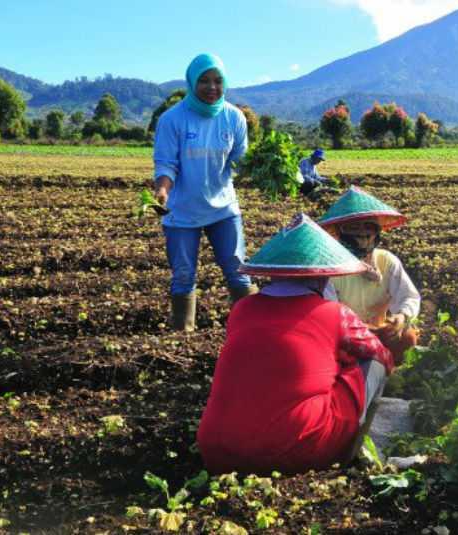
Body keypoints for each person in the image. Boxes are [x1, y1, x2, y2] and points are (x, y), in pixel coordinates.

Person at [197, 213, 395, 475]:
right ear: (321, 278)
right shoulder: (335, 314)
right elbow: (381, 354)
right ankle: (352, 452)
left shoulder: (242, 309)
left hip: (218, 451)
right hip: (300, 450)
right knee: (374, 364)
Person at [153, 53, 255, 331]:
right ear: (191, 83)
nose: (212, 87)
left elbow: (241, 159)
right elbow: (166, 164)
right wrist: (162, 190)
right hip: (182, 212)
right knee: (184, 275)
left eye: (218, 81)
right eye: (204, 81)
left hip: (223, 209)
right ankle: (183, 336)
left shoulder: (234, 117)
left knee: (239, 272)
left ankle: (255, 329)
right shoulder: (172, 119)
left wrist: (264, 170)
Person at [317, 187, 421, 363]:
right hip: (345, 336)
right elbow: (330, 316)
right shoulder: (331, 269)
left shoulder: (386, 261)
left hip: (380, 331)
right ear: (339, 232)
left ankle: (388, 374)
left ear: (376, 233)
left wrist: (400, 317)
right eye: (353, 228)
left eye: (369, 227)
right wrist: (362, 330)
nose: (363, 234)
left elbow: (408, 296)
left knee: (408, 337)